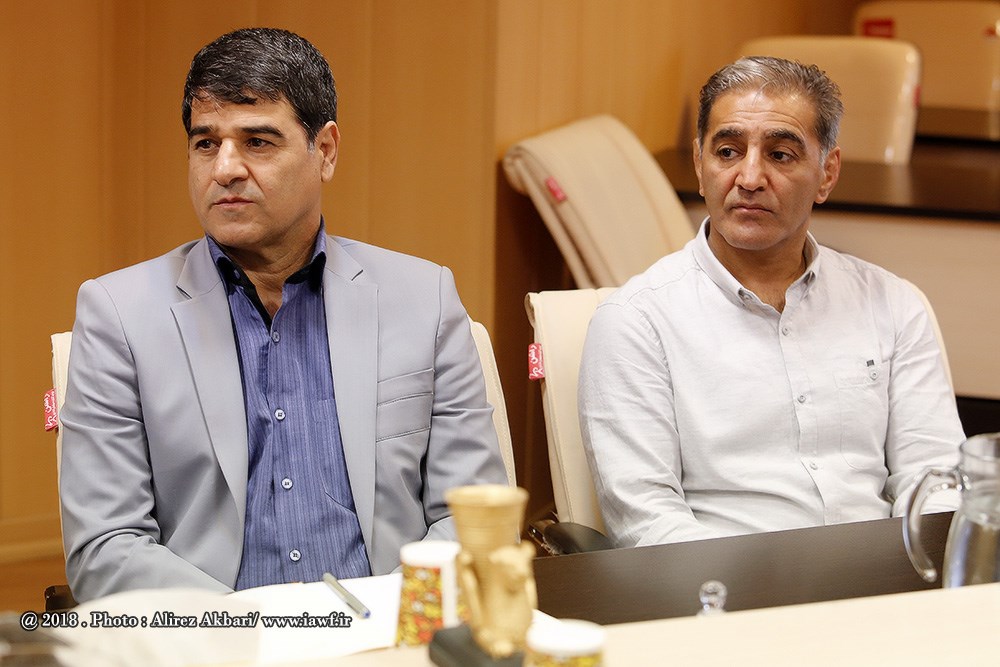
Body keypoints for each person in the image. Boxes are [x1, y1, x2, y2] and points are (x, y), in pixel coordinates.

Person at [59, 27, 507, 602]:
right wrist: (258, 633)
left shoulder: (425, 298)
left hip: (391, 629)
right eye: (205, 143)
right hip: (215, 636)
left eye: (257, 142)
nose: (225, 168)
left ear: (326, 151)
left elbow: (474, 518)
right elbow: (105, 548)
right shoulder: (118, 315)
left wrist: (388, 620)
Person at [578, 56, 964, 548]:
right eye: (728, 151)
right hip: (722, 583)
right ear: (699, 164)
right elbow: (647, 521)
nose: (749, 178)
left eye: (780, 155)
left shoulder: (893, 304)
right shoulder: (636, 322)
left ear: (827, 173)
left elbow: (936, 480)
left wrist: (918, 571)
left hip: (885, 577)